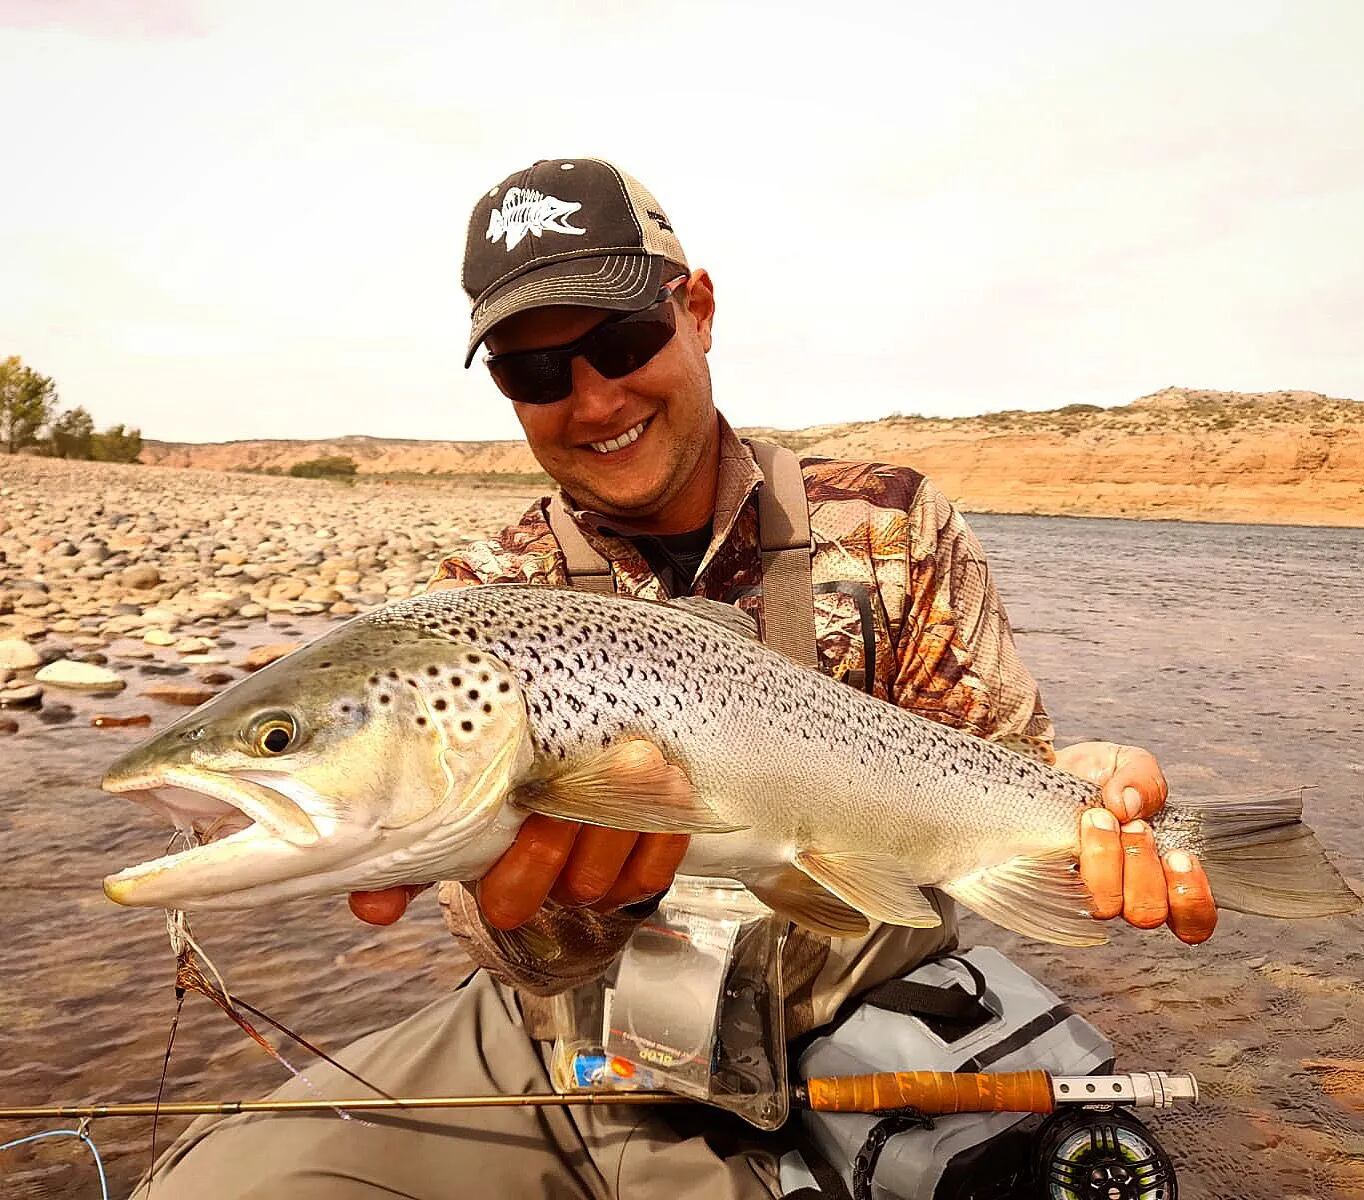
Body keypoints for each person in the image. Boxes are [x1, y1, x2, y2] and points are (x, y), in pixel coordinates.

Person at [144, 159, 1217, 1199]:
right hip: (577, 1048)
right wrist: (557, 916)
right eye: (532, 371)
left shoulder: (886, 523)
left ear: (695, 310)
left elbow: (995, 771)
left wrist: (1069, 795)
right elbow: (507, 944)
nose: (592, 395)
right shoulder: (479, 595)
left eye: (620, 338)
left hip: (857, 1027)